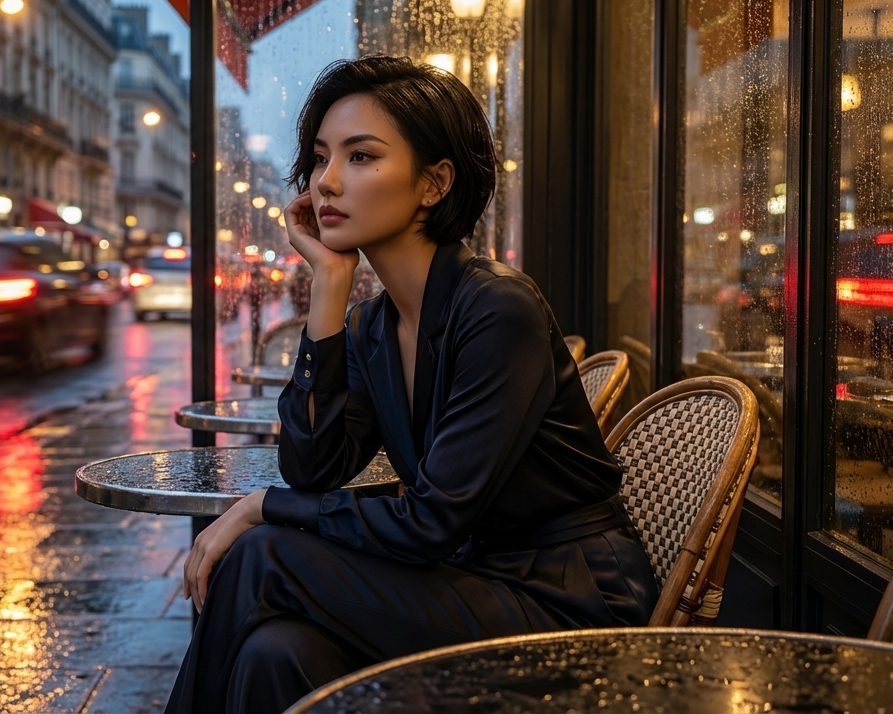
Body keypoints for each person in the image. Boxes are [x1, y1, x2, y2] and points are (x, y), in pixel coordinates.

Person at [165, 56, 659, 714]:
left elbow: (427, 522)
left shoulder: (496, 308)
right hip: (471, 581)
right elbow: (313, 467)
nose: (326, 183)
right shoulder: (376, 325)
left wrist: (259, 506)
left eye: (361, 157)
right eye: (319, 158)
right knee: (274, 650)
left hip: (570, 605)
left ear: (434, 183)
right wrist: (329, 292)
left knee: (261, 555)